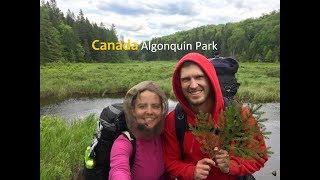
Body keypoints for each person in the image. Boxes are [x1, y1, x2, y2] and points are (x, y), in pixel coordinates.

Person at [161, 52, 268, 180]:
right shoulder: (174, 120)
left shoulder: (239, 114)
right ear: (179, 84)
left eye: (199, 77)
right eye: (186, 79)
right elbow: (171, 162)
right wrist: (192, 172)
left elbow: (258, 156)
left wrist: (231, 165)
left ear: (210, 79)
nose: (193, 85)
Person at [109, 81, 169, 180]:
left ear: (162, 109)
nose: (149, 112)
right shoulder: (124, 142)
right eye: (142, 106)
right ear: (133, 111)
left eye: (155, 106)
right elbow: (119, 170)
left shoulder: (164, 133)